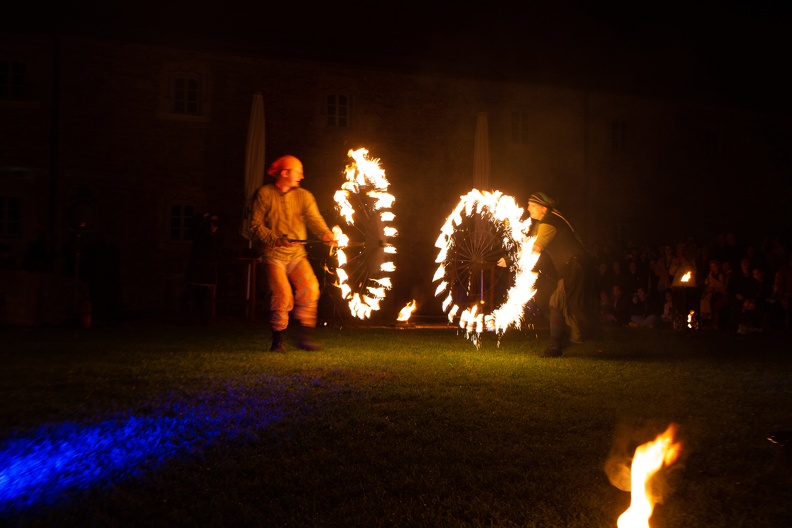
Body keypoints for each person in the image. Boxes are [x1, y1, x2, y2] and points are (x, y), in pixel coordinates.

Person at [250, 155, 335, 352]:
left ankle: (304, 338)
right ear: (284, 172)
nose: (302, 176)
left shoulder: (304, 196)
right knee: (282, 294)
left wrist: (326, 234)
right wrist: (275, 239)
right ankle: (278, 340)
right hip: (273, 255)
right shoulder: (264, 193)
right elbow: (255, 225)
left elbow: (315, 219)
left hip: (297, 255)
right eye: (298, 171)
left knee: (311, 288)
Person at [525, 192, 595, 357]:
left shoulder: (549, 223)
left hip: (575, 267)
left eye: (531, 205)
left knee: (558, 303)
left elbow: (535, 250)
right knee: (545, 298)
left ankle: (556, 346)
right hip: (571, 267)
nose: (528, 208)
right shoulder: (550, 219)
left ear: (543, 208)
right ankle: (565, 338)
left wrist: (511, 260)